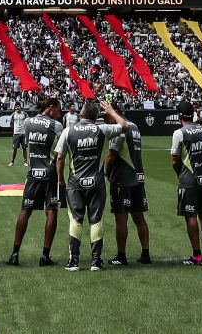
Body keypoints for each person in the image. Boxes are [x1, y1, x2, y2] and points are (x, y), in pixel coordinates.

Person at [54, 100, 129, 272]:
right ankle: (96, 261)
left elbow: (59, 158)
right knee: (96, 221)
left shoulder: (68, 131)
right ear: (96, 116)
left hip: (75, 183)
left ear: (81, 114)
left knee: (75, 220)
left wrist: (60, 179)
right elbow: (124, 126)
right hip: (96, 182)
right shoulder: (102, 129)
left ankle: (74, 261)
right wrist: (111, 111)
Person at [8, 97, 63, 267]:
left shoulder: (28, 122)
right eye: (59, 111)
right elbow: (60, 153)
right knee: (52, 211)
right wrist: (61, 178)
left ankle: (15, 254)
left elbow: (28, 143)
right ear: (51, 107)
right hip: (50, 173)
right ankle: (44, 256)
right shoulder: (57, 126)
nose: (59, 115)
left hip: (33, 172)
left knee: (25, 210)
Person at [170, 101, 202, 266]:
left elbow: (175, 160)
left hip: (189, 179)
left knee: (191, 215)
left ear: (179, 115)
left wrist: (179, 174)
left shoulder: (179, 133)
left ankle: (197, 254)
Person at [106, 115, 150, 266]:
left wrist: (107, 172)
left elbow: (111, 156)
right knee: (139, 217)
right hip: (138, 177)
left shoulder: (119, 130)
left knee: (121, 218)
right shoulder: (135, 127)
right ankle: (145, 253)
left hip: (122, 179)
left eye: (106, 118)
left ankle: (121, 255)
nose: (106, 122)